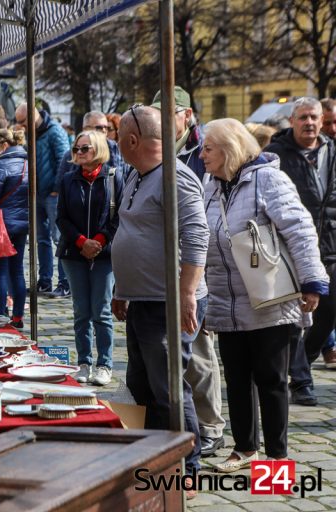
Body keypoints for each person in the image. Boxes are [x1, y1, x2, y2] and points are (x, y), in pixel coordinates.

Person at [200, 118, 328, 472]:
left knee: (271, 381)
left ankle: (276, 461)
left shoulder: (268, 178)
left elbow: (300, 230)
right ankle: (244, 449)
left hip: (270, 298)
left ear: (229, 149)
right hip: (228, 301)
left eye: (208, 147)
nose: (202, 154)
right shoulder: (210, 185)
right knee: (236, 379)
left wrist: (312, 282)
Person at [111, 106, 208, 495]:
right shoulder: (136, 174)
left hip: (166, 302)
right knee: (141, 383)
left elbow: (197, 237)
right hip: (141, 300)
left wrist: (186, 293)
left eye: (118, 138)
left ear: (133, 141)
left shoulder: (176, 178)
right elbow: (133, 232)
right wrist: (122, 289)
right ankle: (155, 457)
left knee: (168, 388)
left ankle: (189, 464)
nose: (115, 144)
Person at [150, 86, 227, 457]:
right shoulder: (161, 149)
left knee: (198, 354)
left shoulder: (202, 150)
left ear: (186, 114)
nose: (162, 119)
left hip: (197, 267)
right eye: (157, 112)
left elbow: (204, 220)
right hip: (165, 269)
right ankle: (188, 426)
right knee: (179, 356)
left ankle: (211, 426)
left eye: (169, 112)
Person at [265, 97, 336, 406]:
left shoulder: (332, 151)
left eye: (314, 117)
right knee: (296, 317)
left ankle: (302, 364)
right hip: (291, 246)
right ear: (292, 121)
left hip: (331, 244)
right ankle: (301, 382)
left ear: (322, 121)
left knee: (329, 312)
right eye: (303, 117)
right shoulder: (275, 154)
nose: (309, 122)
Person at [56, 130, 123, 386]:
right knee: (81, 311)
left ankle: (104, 364)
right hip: (73, 253)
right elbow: (61, 217)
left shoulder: (114, 178)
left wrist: (100, 241)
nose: (79, 153)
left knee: (102, 311)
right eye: (77, 149)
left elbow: (118, 217)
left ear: (98, 150)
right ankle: (84, 361)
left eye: (85, 148)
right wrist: (82, 242)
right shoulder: (67, 180)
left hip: (104, 254)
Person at [13, 103, 69, 296]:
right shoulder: (30, 133)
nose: (20, 126)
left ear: (32, 116)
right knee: (41, 239)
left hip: (53, 195)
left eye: (22, 121)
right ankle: (45, 281)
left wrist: (56, 189)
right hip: (36, 193)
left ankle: (65, 283)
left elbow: (64, 160)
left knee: (60, 238)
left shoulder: (55, 131)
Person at [0, 128, 28, 328]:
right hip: (22, 223)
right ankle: (18, 316)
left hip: (2, 224)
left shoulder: (1, 164)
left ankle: (1, 313)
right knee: (17, 270)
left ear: (4, 145)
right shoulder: (28, 162)